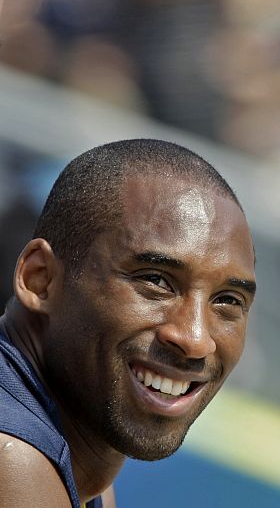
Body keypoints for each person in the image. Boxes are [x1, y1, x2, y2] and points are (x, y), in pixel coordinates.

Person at [0, 139, 257, 508]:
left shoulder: (80, 457)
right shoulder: (13, 462)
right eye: (156, 281)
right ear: (40, 278)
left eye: (227, 301)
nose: (196, 339)